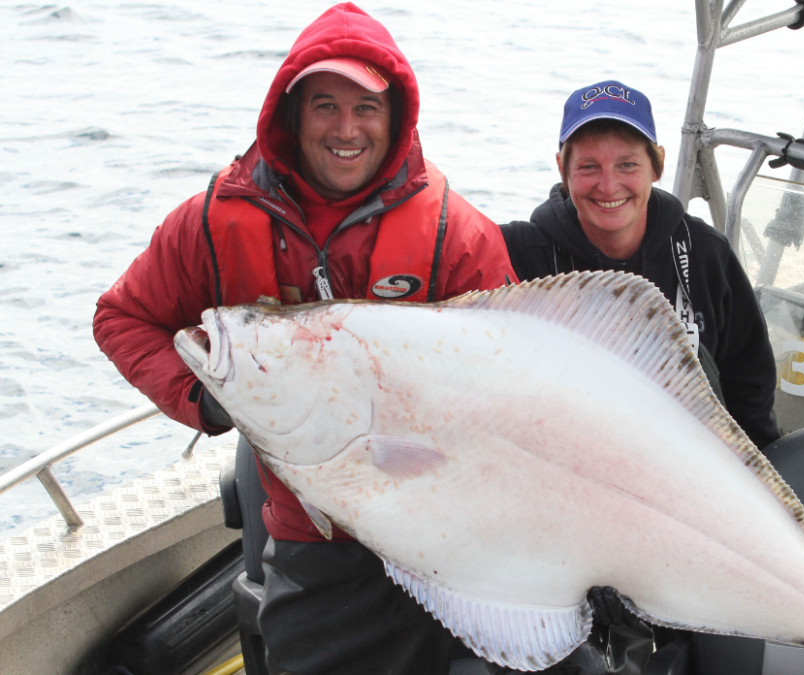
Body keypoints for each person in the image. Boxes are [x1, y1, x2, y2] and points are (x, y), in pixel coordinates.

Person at [93, 4, 517, 673]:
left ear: (396, 116)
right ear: (291, 113)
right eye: (325, 105)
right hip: (317, 543)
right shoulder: (214, 221)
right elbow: (123, 316)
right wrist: (202, 400)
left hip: (450, 535)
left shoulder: (457, 236)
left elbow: (514, 382)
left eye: (366, 108)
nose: (345, 129)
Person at [501, 80, 780, 450]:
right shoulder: (519, 252)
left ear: (657, 164)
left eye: (627, 164)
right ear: (562, 169)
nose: (608, 185)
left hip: (688, 459)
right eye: (588, 166)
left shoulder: (705, 253)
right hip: (564, 459)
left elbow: (750, 388)